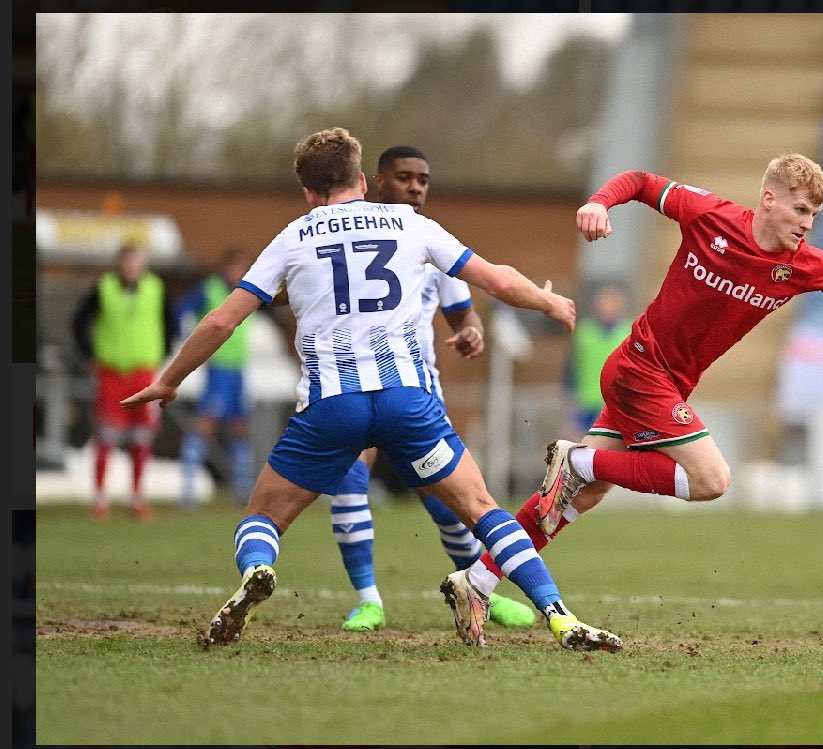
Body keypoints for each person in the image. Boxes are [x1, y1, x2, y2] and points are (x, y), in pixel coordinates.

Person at [120, 127, 620, 652]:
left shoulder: (295, 237)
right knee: (483, 509)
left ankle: (259, 573)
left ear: (309, 192)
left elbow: (223, 321)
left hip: (333, 405)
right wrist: (548, 303)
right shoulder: (410, 224)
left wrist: (168, 381)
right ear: (363, 179)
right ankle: (559, 616)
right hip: (408, 399)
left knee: (264, 516)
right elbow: (495, 279)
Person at [448, 156, 823, 631]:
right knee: (710, 480)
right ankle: (582, 463)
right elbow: (639, 180)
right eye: (799, 209)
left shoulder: (803, 266)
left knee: (572, 501)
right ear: (768, 199)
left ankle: (479, 580)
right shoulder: (711, 216)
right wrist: (598, 202)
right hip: (639, 369)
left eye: (813, 215)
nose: (806, 223)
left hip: (660, 381)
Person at [330, 145, 534, 633]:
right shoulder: (345, 236)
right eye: (404, 178)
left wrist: (472, 330)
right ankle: (368, 600)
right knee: (350, 480)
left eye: (423, 179)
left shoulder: (432, 240)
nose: (416, 187)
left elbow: (461, 309)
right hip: (350, 382)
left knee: (445, 500)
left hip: (413, 389)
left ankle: (479, 590)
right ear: (376, 182)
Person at [71, 241, 177, 521]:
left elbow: (169, 322)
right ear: (119, 263)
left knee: (142, 435)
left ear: (143, 264)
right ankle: (100, 498)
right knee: (106, 434)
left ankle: (137, 498)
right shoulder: (104, 287)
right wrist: (88, 353)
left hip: (144, 372)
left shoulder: (156, 287)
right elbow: (79, 320)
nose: (131, 267)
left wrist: (164, 352)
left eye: (136, 261)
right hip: (112, 371)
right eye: (127, 261)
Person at [172, 247, 255, 507]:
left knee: (240, 429)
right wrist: (188, 339)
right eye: (236, 267)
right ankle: (187, 491)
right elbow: (180, 310)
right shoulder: (210, 289)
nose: (239, 273)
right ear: (226, 268)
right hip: (218, 368)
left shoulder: (247, 292)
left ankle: (242, 490)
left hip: (239, 369)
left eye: (243, 269)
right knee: (205, 424)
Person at [564, 283, 633, 435]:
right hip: (586, 400)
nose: (607, 307)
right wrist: (568, 394)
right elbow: (571, 365)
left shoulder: (628, 333)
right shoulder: (584, 331)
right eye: (604, 302)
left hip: (615, 403)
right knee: (581, 446)